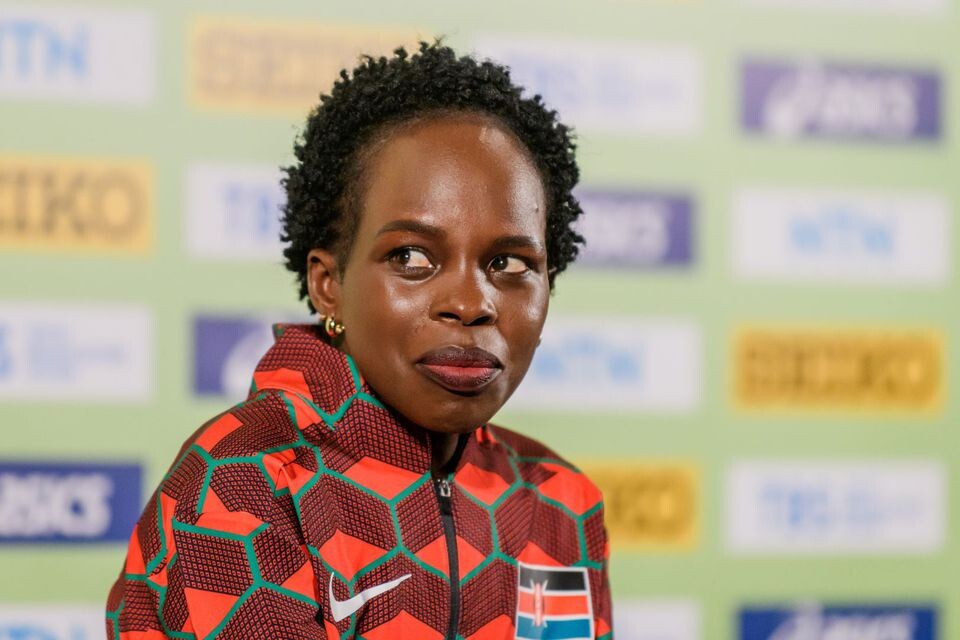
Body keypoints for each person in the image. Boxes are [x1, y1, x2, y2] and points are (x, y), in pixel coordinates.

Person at [106, 41, 612, 640]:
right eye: (412, 257)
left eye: (509, 263)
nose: (471, 303)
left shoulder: (560, 500)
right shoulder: (243, 481)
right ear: (329, 286)